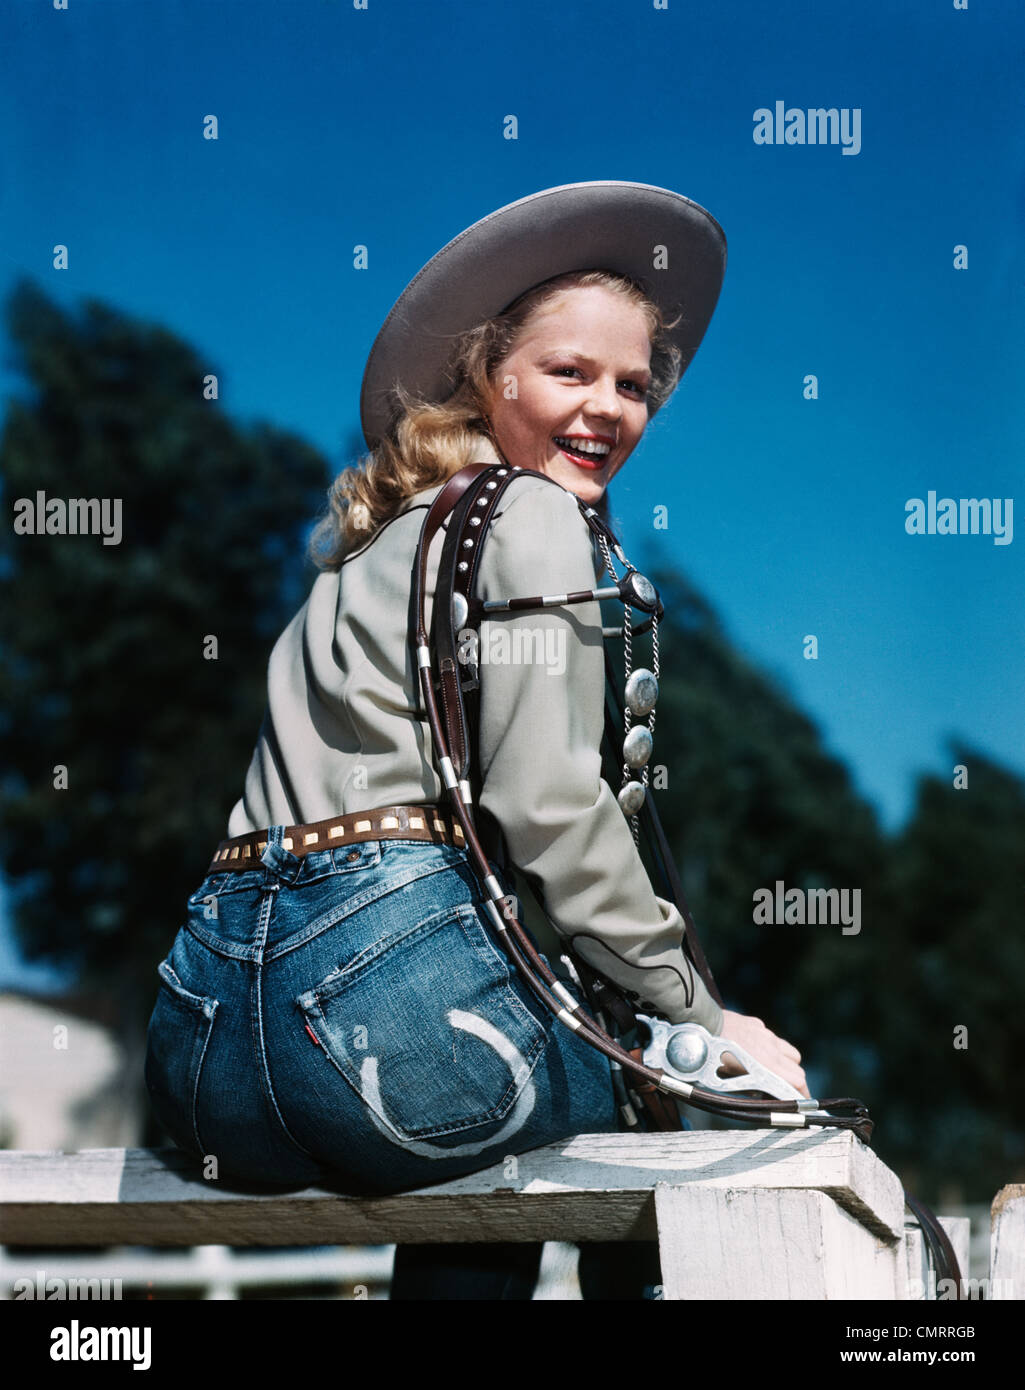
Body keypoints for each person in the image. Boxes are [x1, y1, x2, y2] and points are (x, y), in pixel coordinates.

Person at [143, 182, 808, 1300]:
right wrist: (701, 1016)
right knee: (641, 1110)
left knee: (480, 1136)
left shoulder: (353, 562)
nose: (609, 410)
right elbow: (547, 805)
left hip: (205, 1047)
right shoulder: (537, 515)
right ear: (486, 374)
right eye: (570, 373)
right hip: (388, 1017)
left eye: (634, 386)